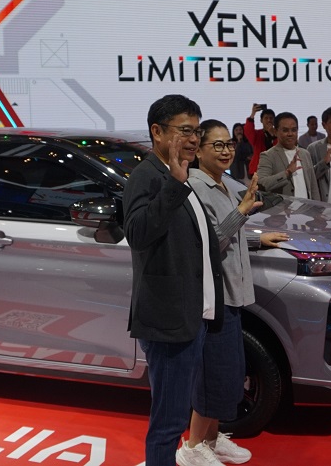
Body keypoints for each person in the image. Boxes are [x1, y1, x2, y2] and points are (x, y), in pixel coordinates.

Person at [123, 94, 225, 466]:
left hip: (190, 316)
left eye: (197, 131)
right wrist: (174, 184)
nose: (194, 138)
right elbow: (137, 233)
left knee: (175, 414)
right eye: (185, 130)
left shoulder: (178, 173)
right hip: (167, 322)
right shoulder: (148, 176)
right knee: (168, 421)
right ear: (157, 131)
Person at [186, 120, 288, 466]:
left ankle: (212, 440)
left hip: (233, 294)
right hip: (215, 298)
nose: (226, 150)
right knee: (213, 375)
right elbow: (208, 243)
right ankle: (192, 448)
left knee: (230, 372)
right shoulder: (196, 189)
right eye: (216, 145)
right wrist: (242, 210)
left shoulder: (223, 183)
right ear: (198, 151)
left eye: (228, 143)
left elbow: (229, 234)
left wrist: (258, 239)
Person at [256, 112, 321, 200]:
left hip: (307, 207)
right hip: (283, 208)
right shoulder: (268, 156)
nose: (290, 134)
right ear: (275, 131)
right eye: (285, 130)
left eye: (294, 130)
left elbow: (313, 187)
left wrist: (317, 206)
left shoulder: (305, 153)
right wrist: (287, 173)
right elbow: (261, 184)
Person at [243, 104, 276, 177]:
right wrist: (253, 114)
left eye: (271, 118)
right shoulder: (257, 134)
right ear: (261, 120)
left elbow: (281, 148)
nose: (269, 120)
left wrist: (273, 135)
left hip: (274, 169)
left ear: (274, 120)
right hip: (258, 170)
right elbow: (248, 131)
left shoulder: (279, 134)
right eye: (266, 118)